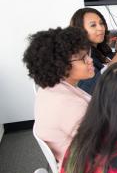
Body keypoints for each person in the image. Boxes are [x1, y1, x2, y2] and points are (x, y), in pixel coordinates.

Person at [22, 27, 94, 162]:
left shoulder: (49, 88)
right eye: (82, 58)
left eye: (87, 54)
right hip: (85, 169)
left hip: (75, 158)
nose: (90, 60)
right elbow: (100, 147)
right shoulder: (69, 104)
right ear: (60, 65)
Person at [70, 7, 117, 94]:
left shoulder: (101, 47)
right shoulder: (79, 58)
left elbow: (115, 67)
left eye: (101, 23)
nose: (101, 28)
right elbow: (94, 88)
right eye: (93, 25)